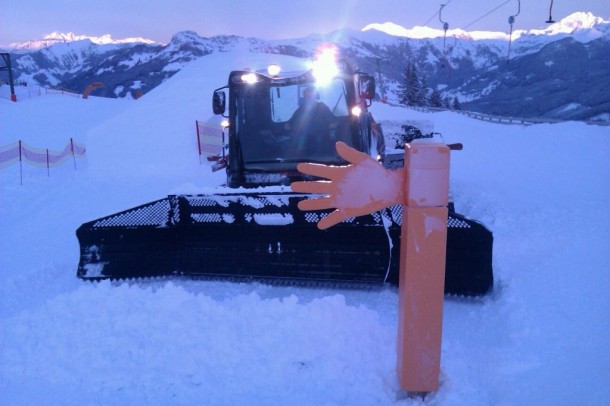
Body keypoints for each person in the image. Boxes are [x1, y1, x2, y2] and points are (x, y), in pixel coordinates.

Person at [285, 87, 337, 156]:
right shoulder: (301, 110)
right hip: (305, 145)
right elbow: (288, 125)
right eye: (307, 96)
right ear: (304, 98)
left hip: (321, 145)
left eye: (311, 96)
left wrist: (329, 128)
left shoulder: (322, 107)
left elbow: (334, 122)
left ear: (315, 97)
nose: (309, 98)